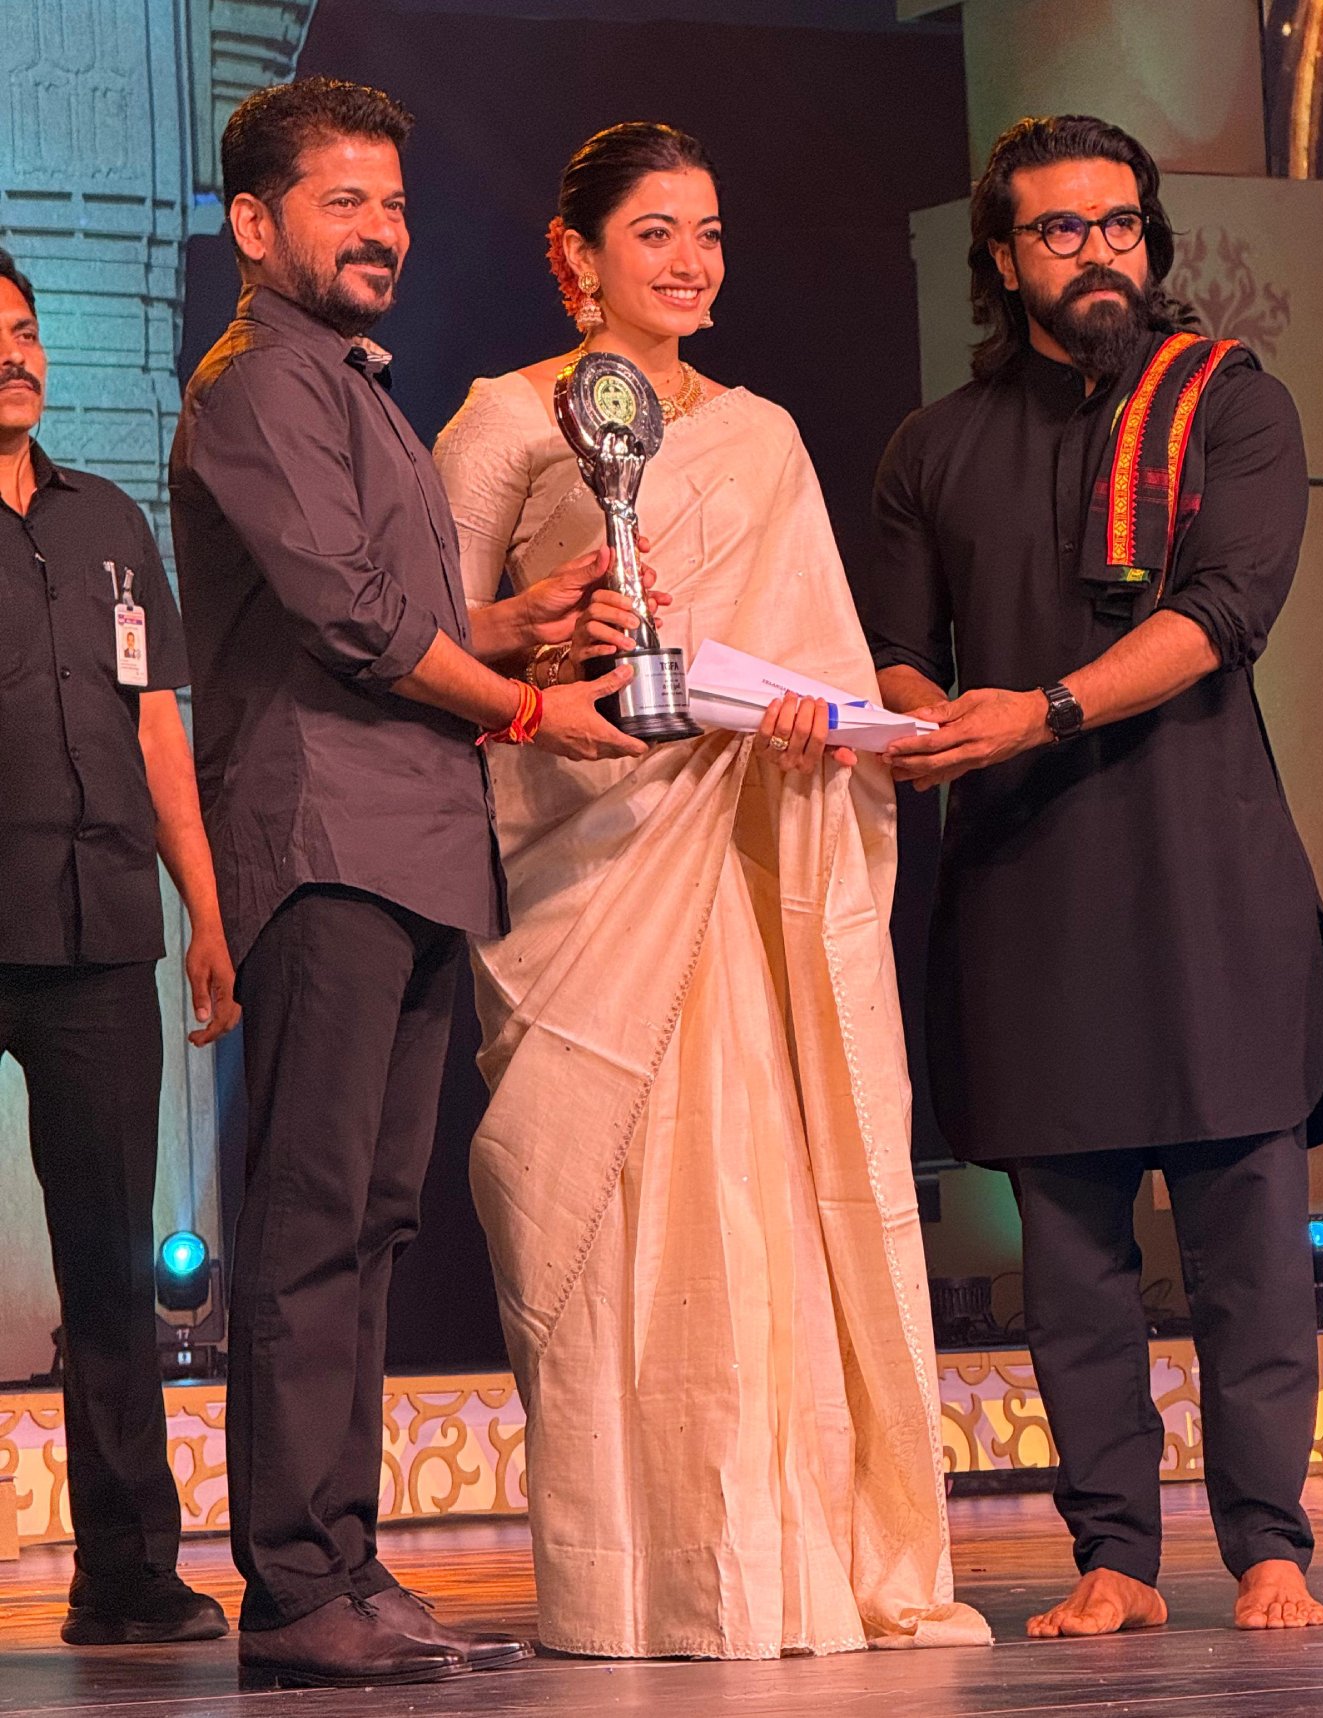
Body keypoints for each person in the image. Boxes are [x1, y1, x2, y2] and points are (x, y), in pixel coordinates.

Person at [433, 122, 993, 1661]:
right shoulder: (503, 424)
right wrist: (543, 648)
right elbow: (426, 646)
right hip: (582, 863)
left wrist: (821, 721)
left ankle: (778, 1568)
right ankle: (628, 1584)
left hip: (740, 864)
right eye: (655, 233)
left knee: (753, 1211)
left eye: (711, 233)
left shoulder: (765, 437)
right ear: (576, 257)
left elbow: (807, 644)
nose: (691, 262)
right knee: (608, 1224)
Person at [169, 78, 643, 1689]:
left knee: (369, 1221)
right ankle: (297, 1587)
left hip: (418, 842)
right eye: (343, 203)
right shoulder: (254, 385)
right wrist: (527, 703)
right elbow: (357, 627)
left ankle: (350, 1567)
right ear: (255, 227)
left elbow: (409, 612)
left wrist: (534, 618)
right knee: (309, 1224)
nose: (384, 229)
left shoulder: (358, 387)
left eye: (391, 201)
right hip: (325, 842)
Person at [853, 114, 1323, 1639]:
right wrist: (913, 714)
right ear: (1002, 259)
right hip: (1023, 890)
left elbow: (1222, 611)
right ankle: (1115, 1556)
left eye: (1120, 225)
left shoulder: (1232, 406)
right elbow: (897, 647)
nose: (1098, 254)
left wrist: (1046, 706)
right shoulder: (931, 447)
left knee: (1251, 1261)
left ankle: (1272, 1546)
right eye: (1061, 232)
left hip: (1209, 889)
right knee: (1070, 1270)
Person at [0, 246, 237, 1646]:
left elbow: (158, 730)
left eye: (22, 329)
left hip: (98, 934)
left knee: (106, 1267)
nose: (13, 353)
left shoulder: (107, 526)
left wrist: (204, 911)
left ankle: (128, 1574)